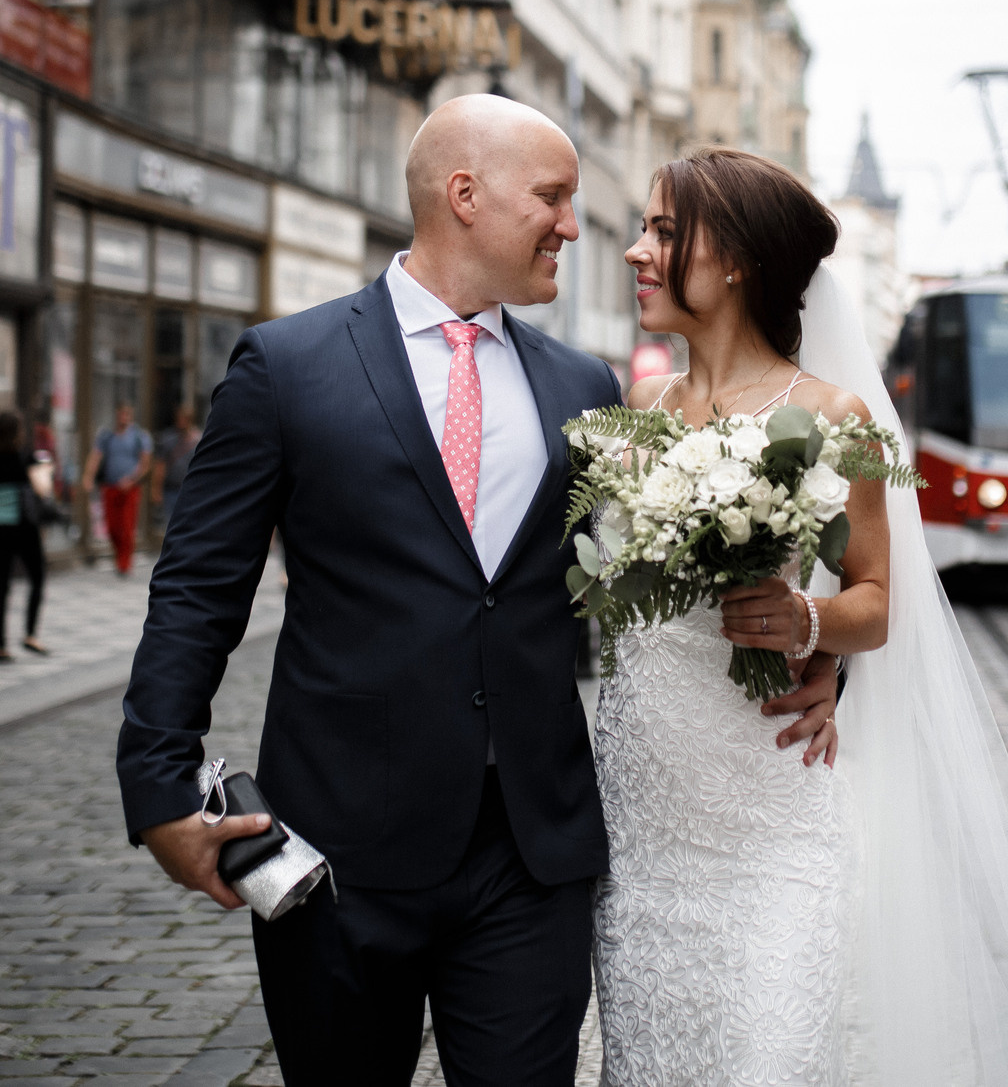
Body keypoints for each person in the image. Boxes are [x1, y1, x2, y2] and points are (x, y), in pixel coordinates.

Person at [116, 97, 841, 1087]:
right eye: (553, 197)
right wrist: (158, 791)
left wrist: (816, 641)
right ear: (466, 195)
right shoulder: (285, 368)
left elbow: (678, 578)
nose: (575, 227)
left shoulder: (583, 388)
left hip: (531, 859)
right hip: (338, 853)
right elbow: (198, 588)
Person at [602, 148, 1008, 1086]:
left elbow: (877, 601)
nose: (637, 251)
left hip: (771, 819)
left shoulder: (834, 415)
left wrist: (804, 622)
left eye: (663, 231)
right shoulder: (640, 405)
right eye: (645, 229)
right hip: (644, 835)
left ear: (734, 261)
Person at [0, 411, 50, 661]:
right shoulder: (26, 458)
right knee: (38, 578)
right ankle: (30, 635)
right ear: (17, 432)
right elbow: (42, 489)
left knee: (1, 589)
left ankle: (1, 647)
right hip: (24, 528)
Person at [86, 403, 154, 577]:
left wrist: (132, 479)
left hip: (129, 488)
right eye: (121, 414)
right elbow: (95, 456)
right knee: (111, 526)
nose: (123, 418)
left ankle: (124, 563)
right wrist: (88, 476)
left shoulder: (139, 436)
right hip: (110, 486)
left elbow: (145, 463)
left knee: (127, 526)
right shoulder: (106, 436)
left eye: (127, 414)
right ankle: (119, 555)